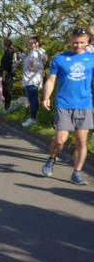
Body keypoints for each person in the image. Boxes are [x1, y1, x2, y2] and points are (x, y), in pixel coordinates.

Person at [40, 28, 94, 185]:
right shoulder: (60, 59)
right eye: (75, 42)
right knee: (60, 139)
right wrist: (46, 97)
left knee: (81, 141)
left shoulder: (92, 59)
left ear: (87, 41)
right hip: (64, 103)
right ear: (70, 41)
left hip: (85, 104)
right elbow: (51, 80)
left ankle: (77, 172)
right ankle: (51, 158)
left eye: (82, 42)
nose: (78, 45)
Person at [21, 36, 47, 127]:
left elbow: (32, 67)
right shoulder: (39, 51)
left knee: (33, 100)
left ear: (38, 43)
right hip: (32, 79)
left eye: (33, 42)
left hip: (31, 79)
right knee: (33, 99)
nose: (31, 44)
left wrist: (31, 66)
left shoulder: (35, 52)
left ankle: (32, 118)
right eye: (30, 42)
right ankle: (32, 117)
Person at [0, 39, 17, 111]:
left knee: (6, 91)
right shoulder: (11, 52)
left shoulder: (8, 53)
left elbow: (6, 65)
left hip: (7, 74)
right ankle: (7, 106)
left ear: (5, 45)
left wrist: (3, 76)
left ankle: (7, 107)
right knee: (6, 91)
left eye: (3, 44)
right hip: (10, 74)